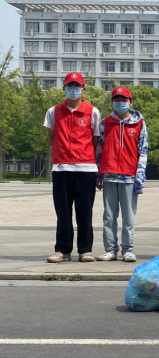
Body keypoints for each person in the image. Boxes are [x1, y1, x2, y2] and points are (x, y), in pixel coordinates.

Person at [44, 72, 101, 264]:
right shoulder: (53, 111)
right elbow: (51, 136)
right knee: (63, 212)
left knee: (85, 212)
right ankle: (62, 250)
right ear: (64, 88)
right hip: (62, 168)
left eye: (77, 86)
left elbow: (95, 139)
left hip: (85, 168)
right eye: (70, 86)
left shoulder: (92, 111)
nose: (73, 89)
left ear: (83, 89)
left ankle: (85, 250)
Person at [95, 86, 149, 263]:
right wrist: (98, 174)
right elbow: (99, 149)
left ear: (130, 102)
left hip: (129, 175)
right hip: (109, 174)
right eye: (117, 100)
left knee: (128, 216)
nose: (120, 103)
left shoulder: (139, 123)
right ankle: (110, 249)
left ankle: (128, 249)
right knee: (109, 216)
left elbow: (143, 149)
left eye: (124, 100)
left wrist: (140, 174)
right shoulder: (105, 123)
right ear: (112, 102)